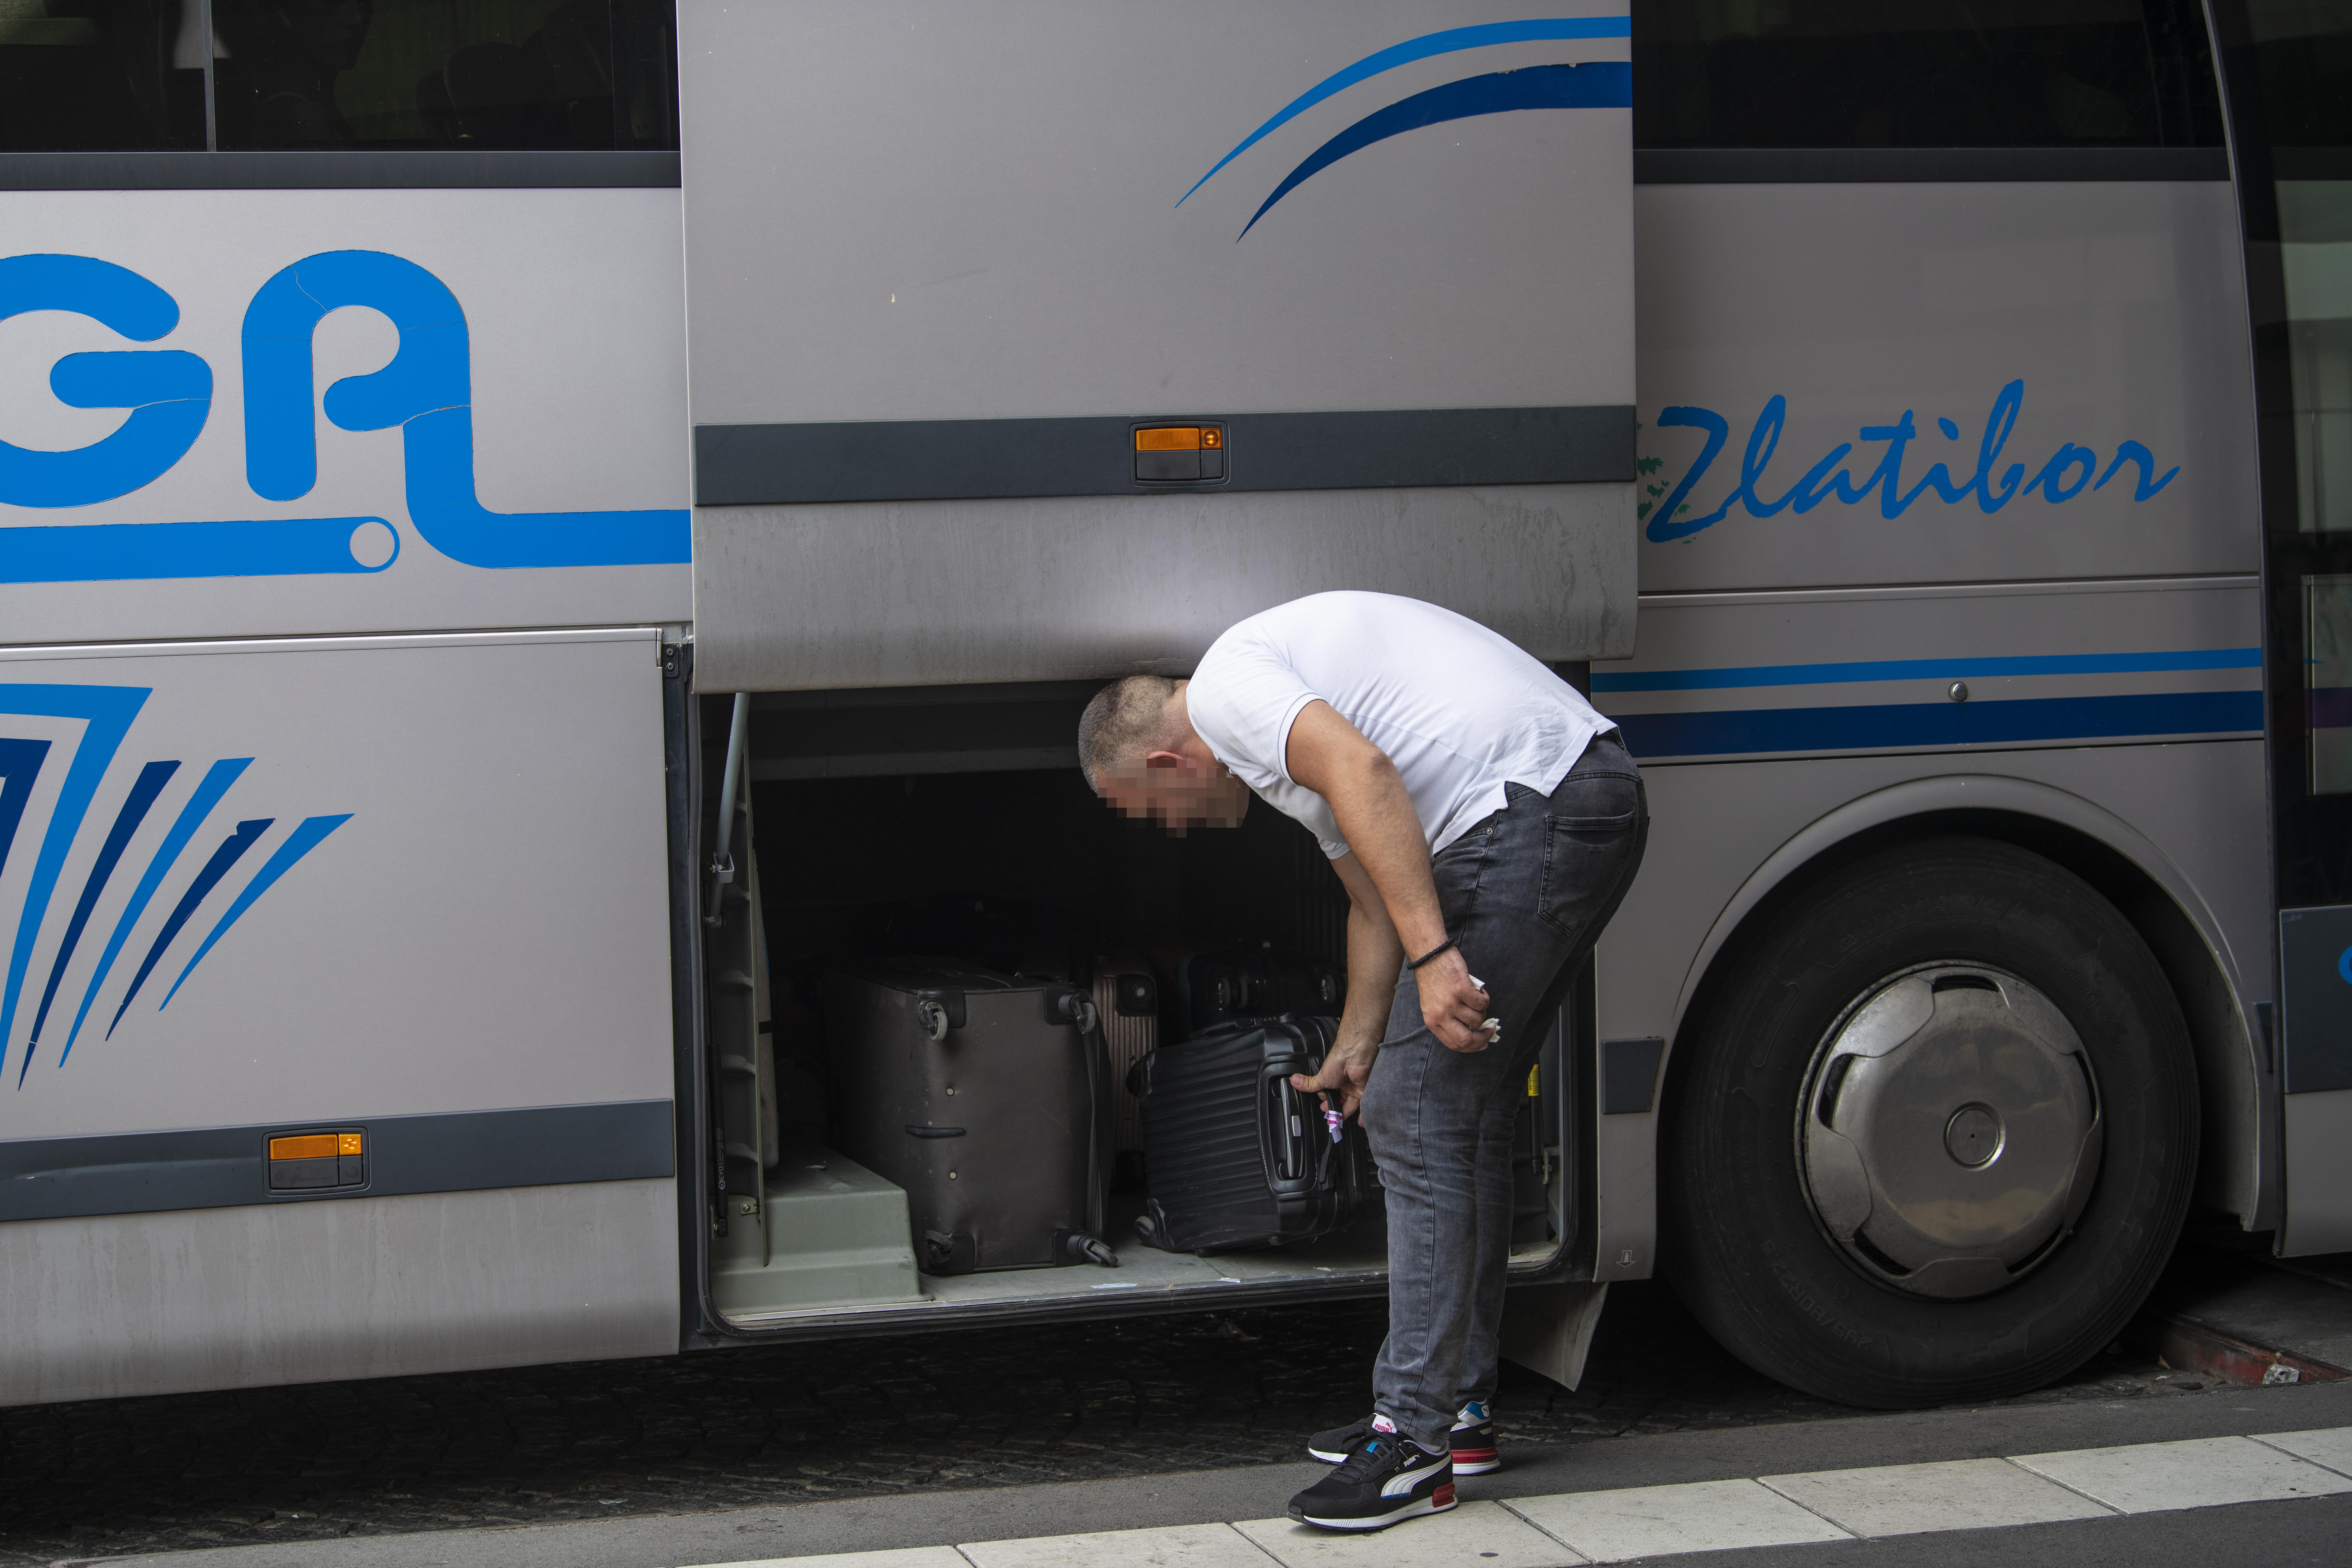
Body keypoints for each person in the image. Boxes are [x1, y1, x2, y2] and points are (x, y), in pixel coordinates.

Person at [1079, 590, 1647, 1532]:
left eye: (1154, 812)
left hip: (1529, 808)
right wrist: (1357, 1043)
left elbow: (1368, 771)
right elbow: (1372, 900)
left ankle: (1412, 1440)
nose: (1172, 831)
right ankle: (1457, 1410)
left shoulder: (1226, 692)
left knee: (1417, 1118)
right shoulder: (1280, 746)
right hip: (1568, 793)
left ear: (1169, 764)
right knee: (1462, 1113)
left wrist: (1437, 958)